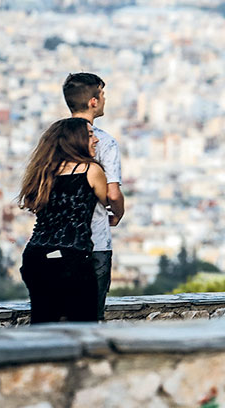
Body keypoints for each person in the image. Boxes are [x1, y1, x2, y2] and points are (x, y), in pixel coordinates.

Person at [17, 117, 107, 323]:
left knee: (43, 324)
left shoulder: (44, 173)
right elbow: (110, 200)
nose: (96, 140)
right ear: (76, 140)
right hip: (71, 258)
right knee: (84, 326)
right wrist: (117, 214)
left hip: (36, 257)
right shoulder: (90, 170)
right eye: (90, 135)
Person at [63, 72, 125, 321]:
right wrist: (118, 213)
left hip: (54, 242)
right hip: (94, 241)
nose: (105, 100)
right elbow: (113, 193)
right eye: (103, 94)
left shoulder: (54, 139)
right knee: (91, 317)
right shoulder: (105, 141)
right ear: (93, 101)